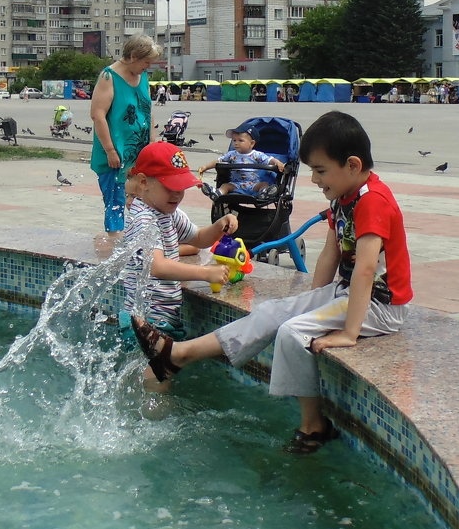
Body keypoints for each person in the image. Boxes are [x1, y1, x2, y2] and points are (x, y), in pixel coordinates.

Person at [130, 111, 412, 453]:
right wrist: (312, 300)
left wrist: (348, 333)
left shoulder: (373, 202)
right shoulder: (344, 196)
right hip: (349, 293)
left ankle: (314, 426)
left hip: (381, 306)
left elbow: (366, 270)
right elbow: (329, 255)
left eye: (320, 171)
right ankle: (178, 355)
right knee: (273, 312)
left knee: (293, 333)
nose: (314, 180)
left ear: (352, 165)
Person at [122, 143, 237, 379]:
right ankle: (153, 413)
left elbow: (198, 238)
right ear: (144, 182)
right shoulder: (143, 219)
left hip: (162, 316)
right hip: (147, 319)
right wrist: (206, 273)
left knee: (156, 373)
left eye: (181, 188)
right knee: (158, 375)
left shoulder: (168, 212)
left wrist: (219, 226)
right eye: (170, 187)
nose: (177, 194)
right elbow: (157, 267)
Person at [90, 33, 160, 239]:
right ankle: (115, 240)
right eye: (145, 62)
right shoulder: (108, 77)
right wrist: (110, 150)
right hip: (115, 152)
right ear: (132, 56)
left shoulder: (142, 76)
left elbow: (147, 109)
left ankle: (139, 238)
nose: (147, 67)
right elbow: (97, 115)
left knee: (144, 195)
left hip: (139, 150)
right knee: (115, 200)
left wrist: (152, 141)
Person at [198, 122, 285, 197]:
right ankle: (218, 193)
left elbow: (269, 160)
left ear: (251, 143)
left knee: (264, 184)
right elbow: (218, 161)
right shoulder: (231, 154)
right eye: (234, 140)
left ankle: (263, 193)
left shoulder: (256, 155)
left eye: (240, 140)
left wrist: (277, 163)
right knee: (225, 186)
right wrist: (205, 167)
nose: (236, 143)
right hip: (236, 184)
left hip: (253, 184)